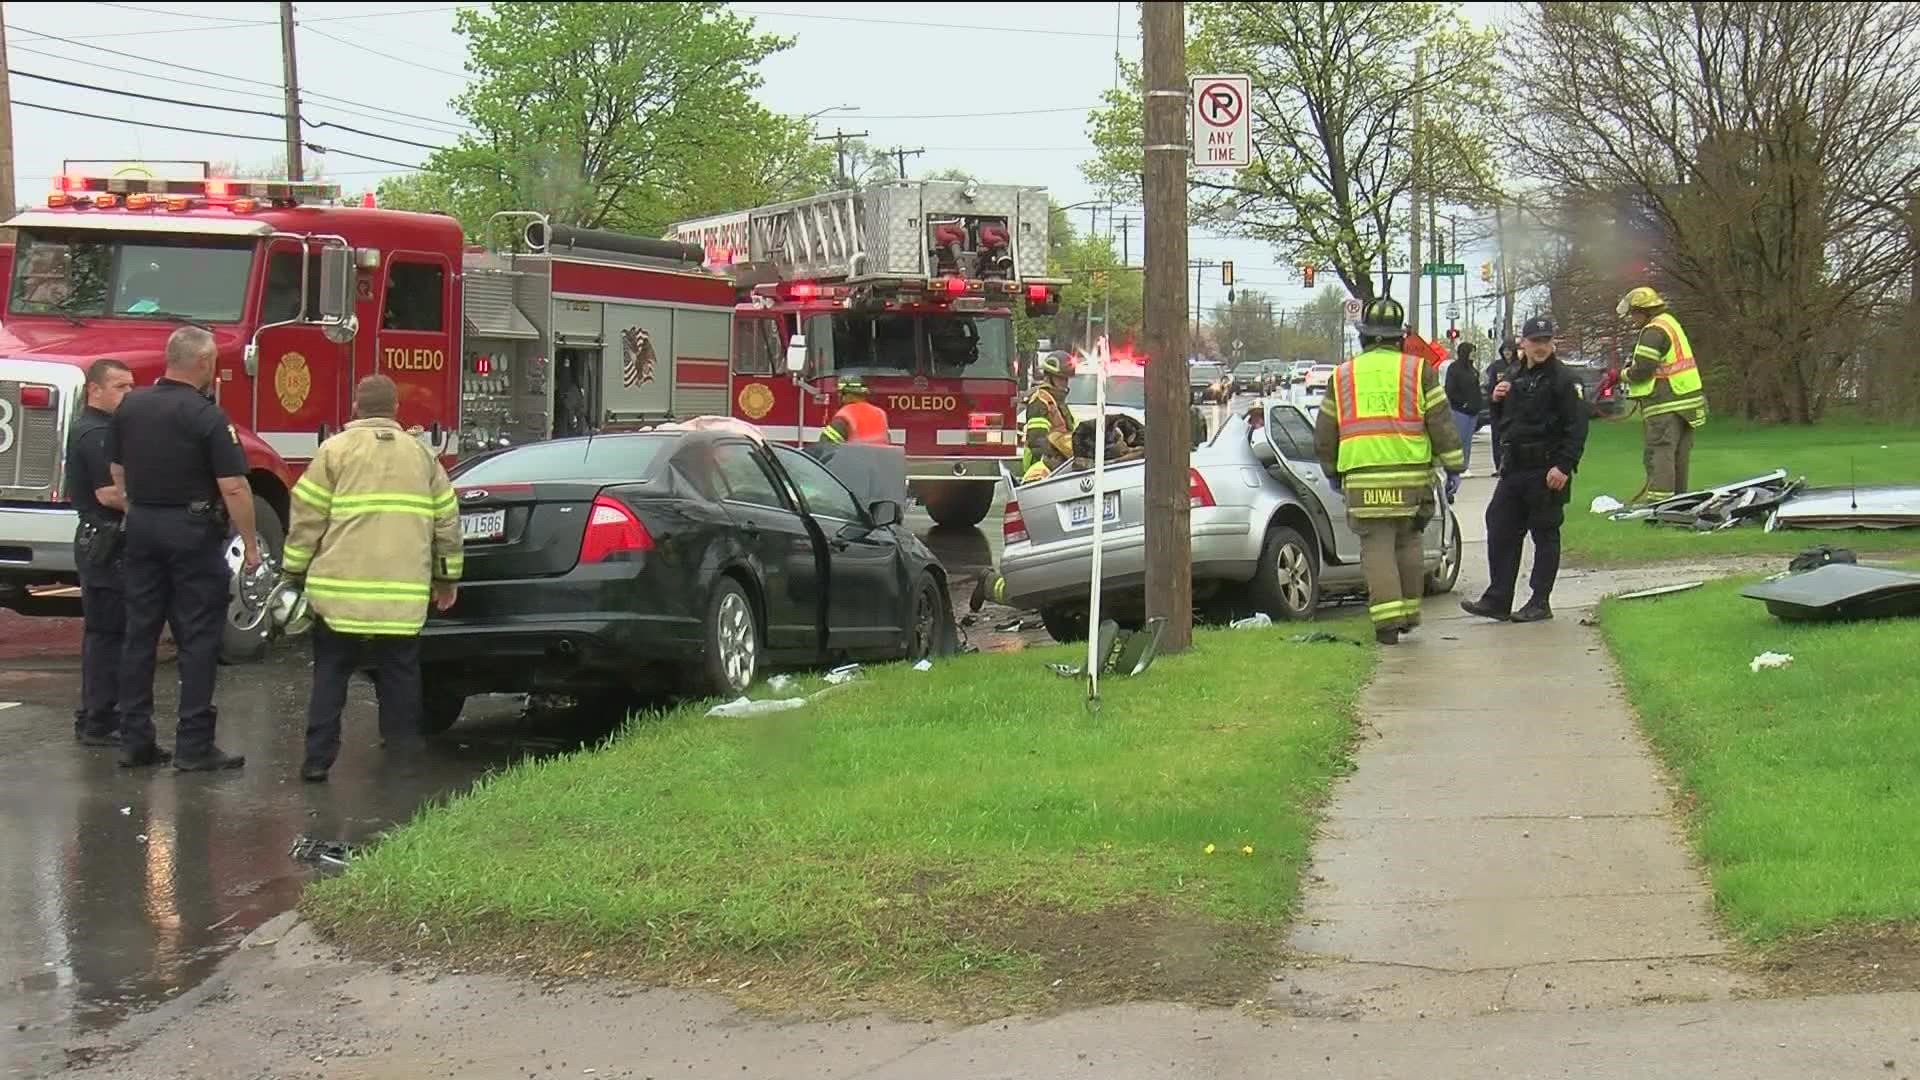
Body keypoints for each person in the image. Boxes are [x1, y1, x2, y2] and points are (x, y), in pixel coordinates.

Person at [283, 375, 463, 783]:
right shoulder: (422, 456)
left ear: (356, 408)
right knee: (400, 675)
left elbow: (307, 517)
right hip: (402, 594)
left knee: (330, 673)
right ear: (396, 409)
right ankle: (402, 759)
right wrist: (446, 578)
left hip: (338, 595)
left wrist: (293, 570)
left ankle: (316, 760)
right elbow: (447, 522)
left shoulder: (334, 451)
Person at [111, 326, 260, 770]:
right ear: (203, 364)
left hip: (140, 525)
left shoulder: (130, 406)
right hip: (191, 531)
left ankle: (134, 739)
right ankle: (194, 745)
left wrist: (135, 510)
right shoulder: (207, 417)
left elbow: (116, 471)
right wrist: (251, 546)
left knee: (140, 632)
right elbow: (233, 487)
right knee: (197, 637)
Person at [1314, 296, 1465, 646]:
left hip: (1363, 475)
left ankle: (1387, 624)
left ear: (1364, 336)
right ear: (1400, 337)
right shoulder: (1418, 371)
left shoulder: (1343, 376)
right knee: (1409, 539)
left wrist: (1332, 471)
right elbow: (1441, 422)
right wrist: (1454, 466)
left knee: (1377, 546)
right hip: (1412, 475)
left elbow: (1325, 433)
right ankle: (1409, 614)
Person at [1461, 316, 1589, 624]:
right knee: (1500, 523)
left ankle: (1539, 601)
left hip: (1546, 469)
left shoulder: (1564, 379)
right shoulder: (1514, 373)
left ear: (1552, 343)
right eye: (1535, 341)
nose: (1541, 347)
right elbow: (1504, 421)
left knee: (1544, 532)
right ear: (1524, 343)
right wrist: (1495, 400)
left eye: (1546, 341)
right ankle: (1498, 599)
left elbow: (1577, 427)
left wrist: (1563, 466)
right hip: (1515, 467)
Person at [66, 358, 135, 748]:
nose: (129, 394)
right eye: (120, 387)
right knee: (108, 634)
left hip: (105, 543)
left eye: (131, 386)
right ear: (95, 390)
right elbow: (109, 493)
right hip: (105, 544)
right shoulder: (95, 434)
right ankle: (99, 719)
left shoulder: (106, 429)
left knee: (108, 633)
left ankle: (98, 714)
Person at [1617, 286, 1706, 503]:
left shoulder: (1653, 331)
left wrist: (1622, 374)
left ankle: (1660, 505)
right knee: (1679, 455)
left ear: (1643, 311)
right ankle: (1680, 502)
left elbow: (1643, 369)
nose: (1631, 319)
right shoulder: (1670, 323)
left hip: (1665, 403)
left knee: (1660, 453)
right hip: (1686, 403)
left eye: (1633, 314)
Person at [1021, 353, 1076, 480]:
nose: (1065, 383)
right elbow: (1037, 441)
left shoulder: (1058, 402)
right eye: (1061, 379)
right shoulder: (1040, 401)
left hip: (1059, 465)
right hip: (1040, 467)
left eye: (1066, 379)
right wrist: (1057, 459)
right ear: (1049, 377)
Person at [1444, 342, 1484, 476]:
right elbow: (1450, 389)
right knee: (1459, 440)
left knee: (1467, 441)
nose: (1473, 354)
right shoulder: (1454, 368)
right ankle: (1457, 466)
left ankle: (1465, 466)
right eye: (1471, 351)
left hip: (1473, 411)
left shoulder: (1472, 369)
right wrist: (1461, 403)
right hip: (1459, 410)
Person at [1483, 338, 1521, 475]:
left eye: (1509, 351)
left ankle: (1512, 465)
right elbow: (1488, 386)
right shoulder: (1495, 367)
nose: (1507, 353)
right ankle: (1499, 466)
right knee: (1497, 438)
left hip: (1514, 408)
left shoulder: (1520, 366)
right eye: (1505, 351)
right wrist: (1492, 397)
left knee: (1512, 437)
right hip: (1497, 408)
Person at [819, 378, 890, 445]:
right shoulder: (880, 413)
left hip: (854, 457)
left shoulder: (845, 415)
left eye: (841, 393)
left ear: (848, 395)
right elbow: (887, 441)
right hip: (880, 457)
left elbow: (826, 444)